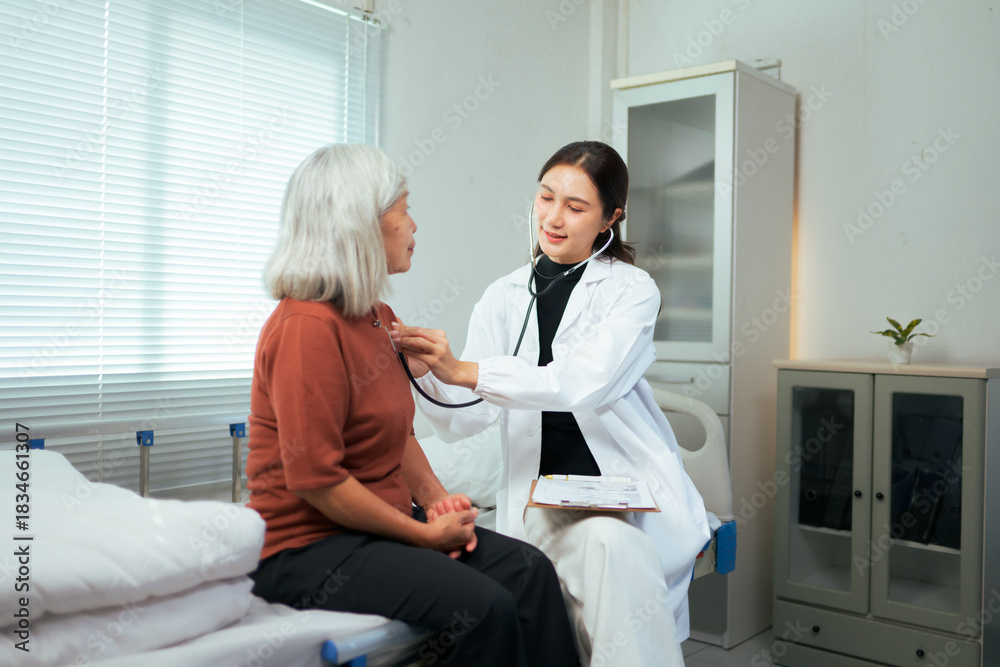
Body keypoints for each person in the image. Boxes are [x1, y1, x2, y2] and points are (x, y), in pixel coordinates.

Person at [244, 144, 578, 667]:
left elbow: (398, 438)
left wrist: (439, 502)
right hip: (309, 548)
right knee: (484, 606)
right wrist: (423, 535)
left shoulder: (376, 315)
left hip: (375, 532)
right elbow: (318, 481)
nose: (414, 225)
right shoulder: (306, 326)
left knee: (531, 573)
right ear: (363, 224)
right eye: (403, 209)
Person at [392, 140, 712, 666]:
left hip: (622, 498)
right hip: (540, 502)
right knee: (613, 563)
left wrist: (466, 370)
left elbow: (585, 382)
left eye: (576, 207)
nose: (554, 217)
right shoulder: (504, 295)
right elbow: (471, 414)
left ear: (612, 217)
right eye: (545, 198)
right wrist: (432, 376)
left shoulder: (632, 291)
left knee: (617, 548)